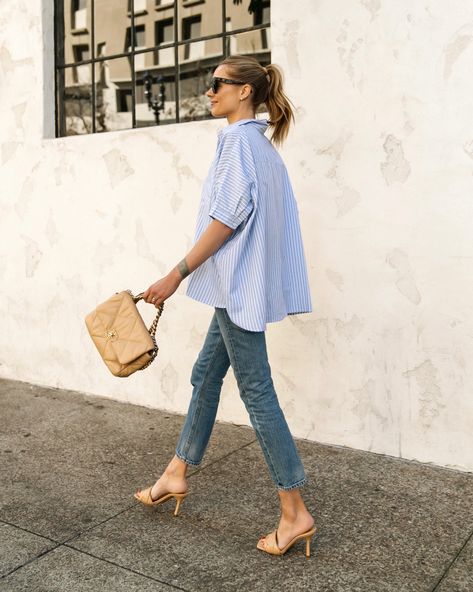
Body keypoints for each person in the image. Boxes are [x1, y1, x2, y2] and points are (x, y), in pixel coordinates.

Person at [135, 55, 316, 558]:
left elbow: (226, 220)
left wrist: (176, 273)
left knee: (257, 392)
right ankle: (176, 472)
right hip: (240, 287)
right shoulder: (263, 147)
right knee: (205, 374)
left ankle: (294, 510)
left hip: (235, 288)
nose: (209, 90)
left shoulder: (239, 144)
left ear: (245, 93)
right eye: (208, 83)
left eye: (218, 83)